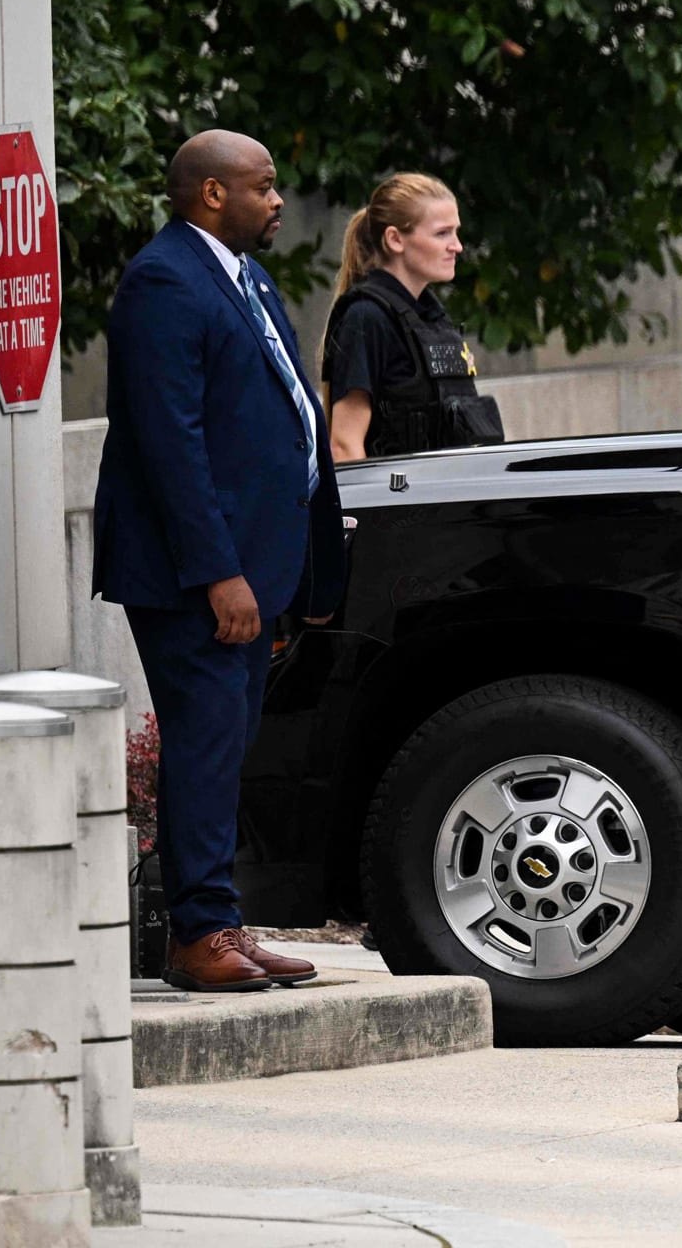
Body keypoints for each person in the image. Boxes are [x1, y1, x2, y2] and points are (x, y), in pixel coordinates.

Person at [92, 130, 347, 991]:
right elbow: (172, 443)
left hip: (250, 566)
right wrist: (219, 572)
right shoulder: (165, 280)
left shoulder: (244, 275)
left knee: (223, 746)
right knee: (203, 745)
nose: (278, 200)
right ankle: (198, 934)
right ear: (210, 194)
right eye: (264, 187)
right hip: (192, 575)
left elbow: (278, 414)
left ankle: (222, 921)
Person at [319, 172, 502, 460]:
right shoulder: (366, 316)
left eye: (455, 232)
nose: (457, 246)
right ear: (394, 239)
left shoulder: (432, 317)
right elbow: (344, 446)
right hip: (401, 502)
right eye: (442, 233)